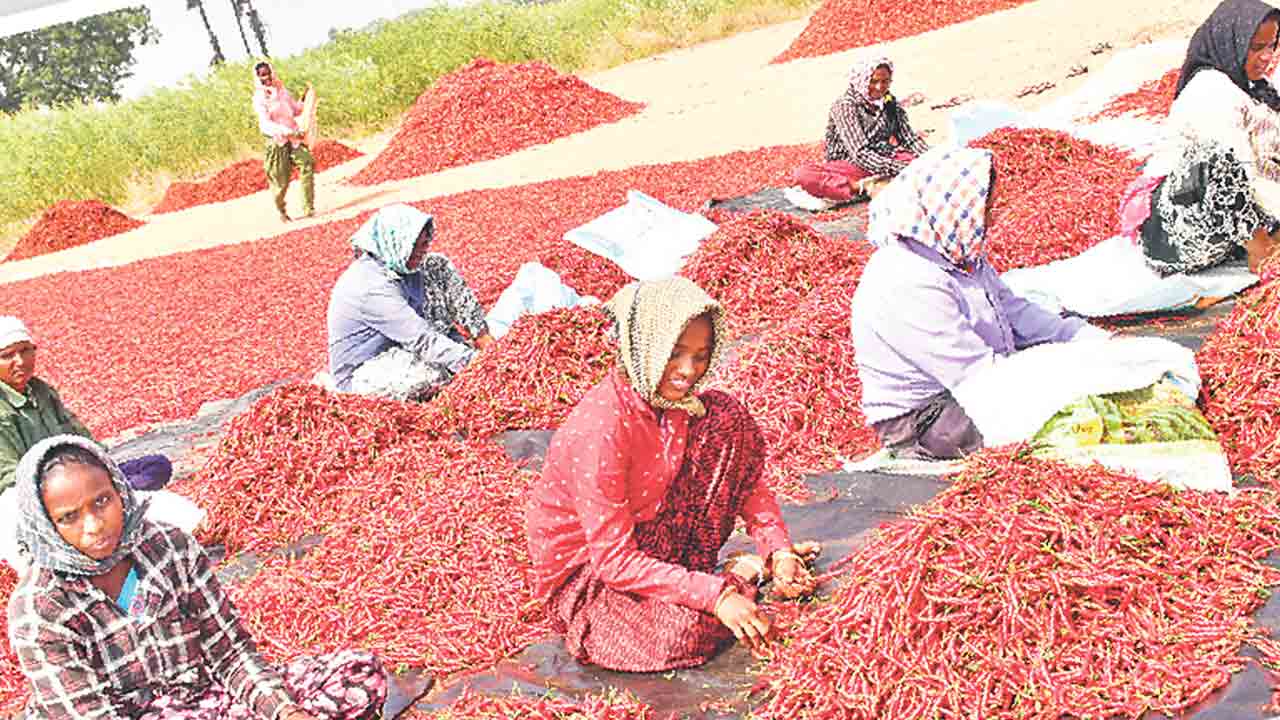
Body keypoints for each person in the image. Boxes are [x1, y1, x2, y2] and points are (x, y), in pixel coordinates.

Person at [525, 277, 820, 672]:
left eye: (700, 356)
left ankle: (722, 574)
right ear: (645, 345)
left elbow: (746, 480)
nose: (688, 371)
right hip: (591, 576)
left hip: (652, 538)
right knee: (681, 635)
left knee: (726, 415)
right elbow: (613, 561)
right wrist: (717, 594)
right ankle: (740, 572)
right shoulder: (602, 427)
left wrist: (777, 548)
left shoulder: (676, 404)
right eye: (675, 353)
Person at [6, 435, 388, 720]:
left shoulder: (169, 547)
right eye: (69, 517)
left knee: (358, 675)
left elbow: (231, 651)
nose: (94, 526)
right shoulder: (40, 607)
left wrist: (285, 712)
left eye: (102, 501)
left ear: (120, 491)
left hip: (200, 694)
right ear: (45, 526)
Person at [850, 147, 1110, 460]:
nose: (989, 217)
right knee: (1073, 418)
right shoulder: (907, 278)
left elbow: (1015, 313)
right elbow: (974, 376)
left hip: (976, 381)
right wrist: (1068, 373)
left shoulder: (958, 256)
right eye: (982, 207)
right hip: (928, 416)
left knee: (1086, 384)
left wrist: (1085, 338)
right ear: (946, 206)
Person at [1121, 0, 1280, 274]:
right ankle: (1259, 249)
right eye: (1256, 47)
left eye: (1272, 45)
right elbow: (1240, 172)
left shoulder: (1255, 90)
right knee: (1218, 158)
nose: (1267, 56)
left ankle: (1261, 240)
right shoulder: (1211, 89)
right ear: (1232, 43)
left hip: (1229, 229)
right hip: (1175, 235)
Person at [326, 204, 495, 401]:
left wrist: (480, 338)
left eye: (424, 244)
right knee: (432, 374)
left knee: (436, 264)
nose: (420, 252)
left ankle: (482, 338)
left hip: (402, 348)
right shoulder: (371, 288)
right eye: (413, 245)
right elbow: (422, 339)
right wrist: (480, 365)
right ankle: (468, 359)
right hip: (364, 372)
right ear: (393, 242)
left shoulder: (400, 266)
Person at [793, 56, 930, 203]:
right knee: (804, 174)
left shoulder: (890, 102)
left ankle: (877, 184)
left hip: (885, 156)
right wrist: (901, 168)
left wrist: (931, 158)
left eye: (885, 81)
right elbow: (860, 154)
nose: (880, 87)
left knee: (923, 160)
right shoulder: (845, 106)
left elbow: (909, 139)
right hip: (852, 165)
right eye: (873, 81)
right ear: (861, 80)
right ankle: (860, 186)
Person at [253, 61, 315, 222]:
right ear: (258, 77)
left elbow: (295, 110)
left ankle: (308, 208)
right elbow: (265, 124)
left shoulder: (282, 92)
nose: (266, 77)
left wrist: (305, 98)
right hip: (278, 142)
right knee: (280, 181)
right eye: (262, 74)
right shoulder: (259, 98)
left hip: (293, 139)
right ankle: (282, 211)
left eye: (268, 73)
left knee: (307, 162)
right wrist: (286, 131)